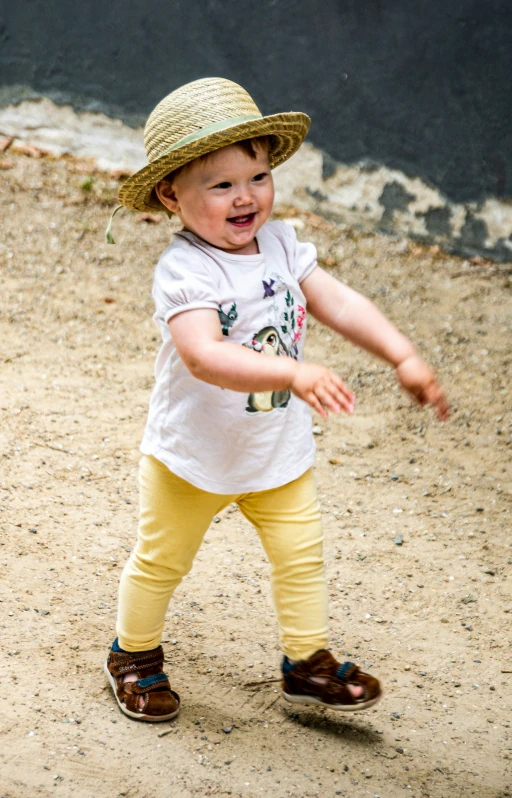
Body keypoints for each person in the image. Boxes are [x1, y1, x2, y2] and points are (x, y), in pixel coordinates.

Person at [104, 77, 449, 722]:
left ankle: (306, 661)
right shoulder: (186, 270)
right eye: (221, 184)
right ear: (170, 194)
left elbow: (339, 301)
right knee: (161, 560)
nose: (246, 197)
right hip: (193, 456)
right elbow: (202, 353)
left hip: (274, 449)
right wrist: (289, 374)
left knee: (301, 553)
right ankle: (134, 654)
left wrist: (401, 355)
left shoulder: (283, 245)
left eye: (257, 176)